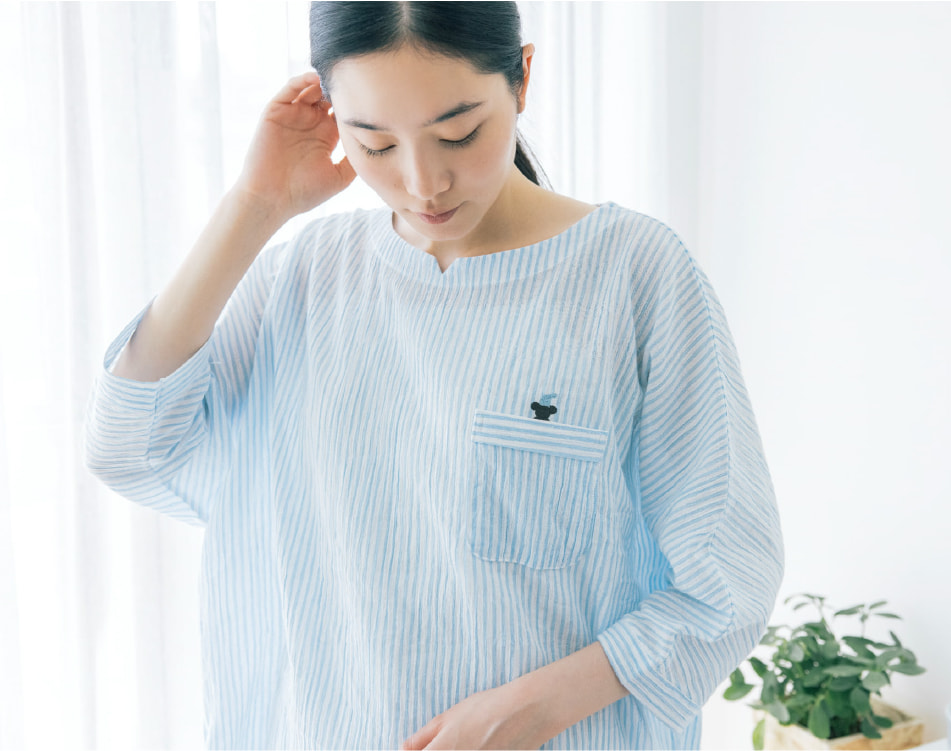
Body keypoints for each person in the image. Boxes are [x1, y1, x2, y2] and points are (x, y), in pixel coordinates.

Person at [84, 2, 784, 749]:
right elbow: (131, 447)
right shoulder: (303, 280)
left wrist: (536, 707)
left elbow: (728, 581)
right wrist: (255, 207)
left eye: (459, 134)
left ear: (522, 78)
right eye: (376, 143)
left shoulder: (635, 276)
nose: (424, 183)